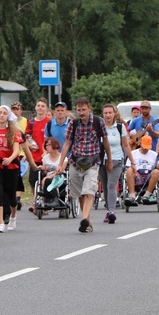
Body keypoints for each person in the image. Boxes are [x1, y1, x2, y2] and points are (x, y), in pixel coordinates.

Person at [57, 97, 112, 233]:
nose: (81, 112)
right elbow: (67, 144)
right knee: (80, 195)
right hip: (76, 162)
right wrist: (60, 163)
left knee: (89, 192)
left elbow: (105, 142)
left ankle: (84, 219)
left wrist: (109, 160)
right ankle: (88, 220)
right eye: (79, 110)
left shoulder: (99, 122)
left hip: (93, 162)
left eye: (83, 110)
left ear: (89, 108)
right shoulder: (73, 124)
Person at [0, 105, 23, 233]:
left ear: (8, 116)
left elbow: (17, 149)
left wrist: (11, 158)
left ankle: (13, 216)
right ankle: (1, 223)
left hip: (11, 166)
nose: (1, 115)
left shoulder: (13, 132)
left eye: (4, 113)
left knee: (11, 196)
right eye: (0, 113)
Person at [99, 103, 130, 224]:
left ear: (114, 114)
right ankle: (108, 210)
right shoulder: (99, 127)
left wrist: (132, 161)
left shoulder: (119, 127)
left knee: (112, 185)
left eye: (110, 113)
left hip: (117, 159)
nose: (107, 115)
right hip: (102, 160)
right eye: (105, 113)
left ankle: (112, 211)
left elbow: (126, 145)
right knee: (105, 186)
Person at [25, 98, 51, 212]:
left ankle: (43, 202)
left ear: (46, 108)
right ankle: (36, 199)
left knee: (45, 180)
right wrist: (29, 146)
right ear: (35, 107)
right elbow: (25, 138)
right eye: (38, 105)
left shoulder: (49, 122)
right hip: (35, 156)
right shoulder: (31, 123)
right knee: (33, 180)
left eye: (42, 106)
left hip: (46, 156)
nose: (40, 108)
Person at [125, 135, 159, 205]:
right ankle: (132, 195)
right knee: (129, 170)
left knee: (156, 172)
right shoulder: (133, 154)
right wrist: (133, 167)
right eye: (144, 147)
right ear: (140, 143)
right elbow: (127, 167)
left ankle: (147, 195)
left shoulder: (154, 155)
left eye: (147, 147)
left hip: (149, 176)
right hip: (137, 175)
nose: (145, 149)